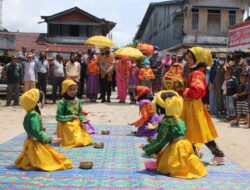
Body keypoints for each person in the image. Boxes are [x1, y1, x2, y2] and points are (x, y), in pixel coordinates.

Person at [141, 90, 207, 179]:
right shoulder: (179, 119)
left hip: (176, 148)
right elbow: (182, 135)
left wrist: (147, 148)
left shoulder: (166, 122)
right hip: (186, 144)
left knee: (167, 166)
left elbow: (161, 141)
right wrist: (193, 147)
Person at [181, 47, 225, 166]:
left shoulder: (197, 73)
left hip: (194, 106)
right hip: (189, 105)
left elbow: (198, 90)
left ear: (198, 59)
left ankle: (218, 155)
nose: (187, 59)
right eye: (188, 57)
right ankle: (193, 152)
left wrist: (185, 90)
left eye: (190, 57)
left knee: (202, 132)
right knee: (187, 131)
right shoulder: (194, 72)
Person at [15, 89, 72, 171]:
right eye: (42, 99)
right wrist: (48, 138)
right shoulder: (34, 115)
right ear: (36, 101)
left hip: (30, 142)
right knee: (53, 160)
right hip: (36, 144)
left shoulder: (28, 114)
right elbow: (36, 131)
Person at [56, 79, 93, 148]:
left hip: (76, 122)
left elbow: (80, 113)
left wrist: (84, 119)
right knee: (76, 141)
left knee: (87, 140)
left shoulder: (77, 101)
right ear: (64, 90)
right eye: (70, 89)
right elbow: (58, 117)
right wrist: (71, 117)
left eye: (74, 89)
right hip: (66, 124)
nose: (73, 91)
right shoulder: (62, 102)